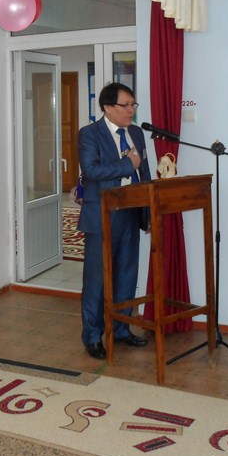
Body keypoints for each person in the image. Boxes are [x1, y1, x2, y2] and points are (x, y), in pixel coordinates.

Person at [77, 82, 152, 359]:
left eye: (133, 104)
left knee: (126, 276)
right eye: (126, 105)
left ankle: (121, 329)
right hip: (102, 216)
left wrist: (148, 211)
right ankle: (92, 336)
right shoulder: (89, 134)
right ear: (108, 107)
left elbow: (144, 173)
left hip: (131, 214)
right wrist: (127, 164)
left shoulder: (137, 133)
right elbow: (91, 170)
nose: (131, 110)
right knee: (97, 280)